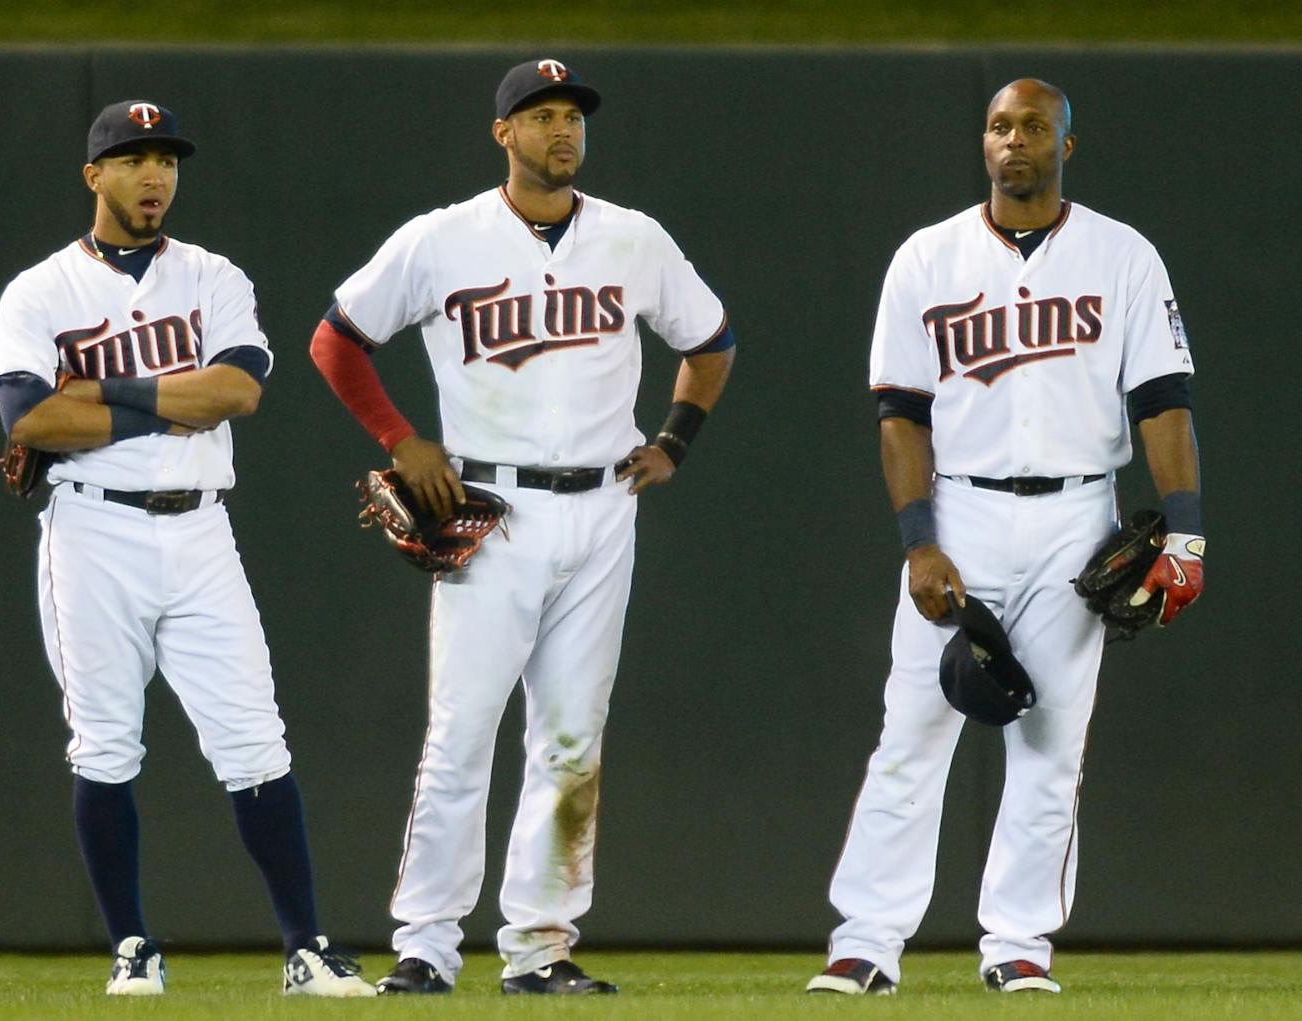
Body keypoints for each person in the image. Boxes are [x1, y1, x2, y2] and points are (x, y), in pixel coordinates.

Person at [310, 58, 735, 995]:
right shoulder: (443, 239)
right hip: (489, 509)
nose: (562, 131)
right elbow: (335, 339)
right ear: (502, 133)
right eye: (540, 116)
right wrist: (401, 437)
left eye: (572, 115)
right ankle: (425, 942)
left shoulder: (633, 238)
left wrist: (673, 441)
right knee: (461, 731)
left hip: (603, 507)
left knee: (574, 736)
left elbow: (710, 342)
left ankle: (541, 946)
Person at [807, 79, 1204, 997]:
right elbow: (901, 414)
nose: (1013, 140)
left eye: (1032, 126)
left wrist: (1185, 534)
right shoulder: (927, 257)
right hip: (963, 510)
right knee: (910, 731)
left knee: (1052, 744)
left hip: (1079, 513)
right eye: (997, 126)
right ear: (981, 142)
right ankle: (865, 941)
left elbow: (1162, 403)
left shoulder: (1123, 256)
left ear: (1069, 140)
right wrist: (918, 539)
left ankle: (1019, 943)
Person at [0, 100, 375, 999]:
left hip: (201, 526)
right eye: (132, 159)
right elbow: (29, 416)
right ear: (95, 175)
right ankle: (131, 944)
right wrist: (164, 395)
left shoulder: (212, 276)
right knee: (107, 743)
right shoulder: (41, 291)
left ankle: (305, 947)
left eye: (165, 160)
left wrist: (106, 392)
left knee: (254, 741)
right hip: (92, 530)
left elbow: (237, 392)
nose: (154, 174)